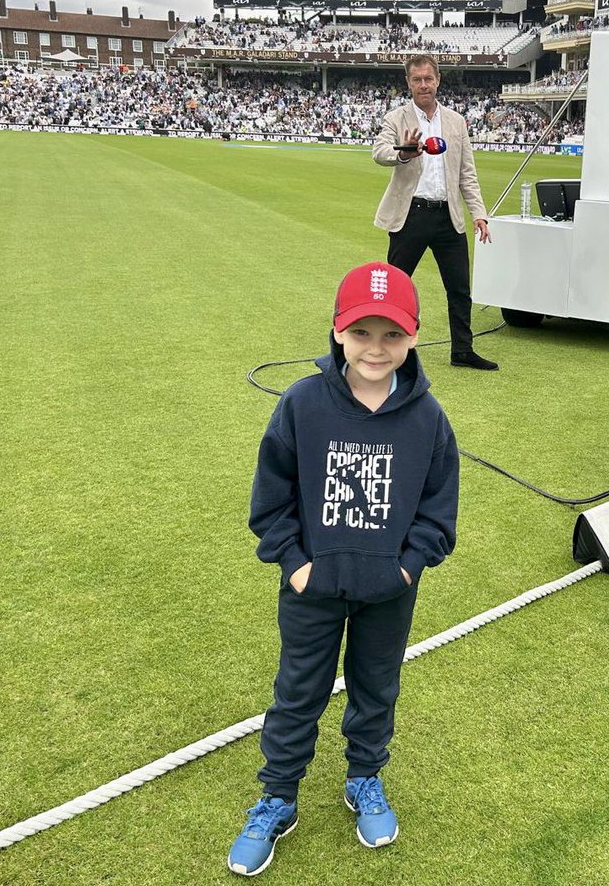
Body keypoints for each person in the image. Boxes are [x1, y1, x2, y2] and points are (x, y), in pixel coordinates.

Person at [229, 262, 459, 875]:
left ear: (413, 337)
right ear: (337, 332)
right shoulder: (303, 404)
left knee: (376, 688)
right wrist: (297, 565)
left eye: (392, 335)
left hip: (389, 592)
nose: (376, 349)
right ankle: (278, 796)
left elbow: (438, 510)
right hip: (312, 587)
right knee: (297, 691)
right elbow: (271, 498)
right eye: (362, 333)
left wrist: (407, 569)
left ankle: (364, 779)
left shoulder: (428, 417)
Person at [373, 54, 498, 371]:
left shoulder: (456, 122)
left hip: (448, 217)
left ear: (438, 80)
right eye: (417, 79)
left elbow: (467, 174)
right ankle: (388, 352)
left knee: (459, 288)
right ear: (408, 83)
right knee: (396, 288)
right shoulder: (396, 119)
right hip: (410, 215)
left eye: (428, 78)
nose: (423, 85)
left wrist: (478, 214)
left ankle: (463, 351)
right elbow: (380, 152)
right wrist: (404, 151)